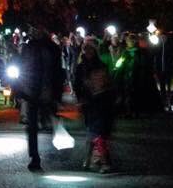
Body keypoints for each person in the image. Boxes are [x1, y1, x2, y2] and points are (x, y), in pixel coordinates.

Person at [14, 24, 64, 172]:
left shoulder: (52, 48)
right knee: (32, 126)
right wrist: (20, 89)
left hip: (46, 89)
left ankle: (54, 149)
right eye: (33, 29)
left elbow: (57, 72)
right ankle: (34, 157)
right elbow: (22, 67)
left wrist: (57, 93)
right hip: (32, 91)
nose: (35, 32)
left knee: (50, 119)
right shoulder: (29, 48)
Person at [74, 39, 115, 173]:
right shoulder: (81, 67)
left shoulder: (101, 65)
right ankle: (91, 159)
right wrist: (80, 98)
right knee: (93, 131)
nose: (88, 52)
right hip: (88, 102)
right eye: (85, 49)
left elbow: (108, 83)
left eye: (90, 49)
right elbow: (77, 85)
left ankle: (103, 161)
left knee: (96, 131)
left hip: (101, 101)